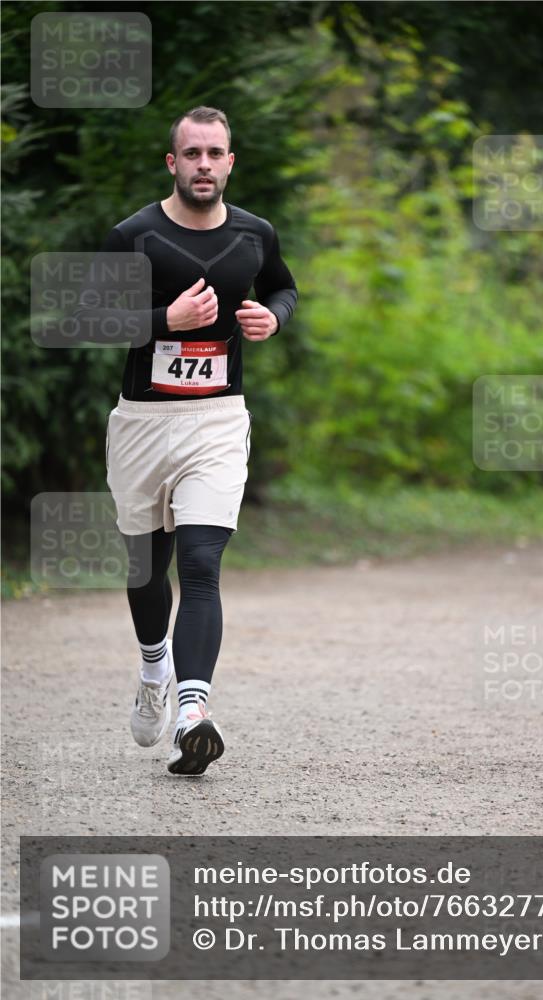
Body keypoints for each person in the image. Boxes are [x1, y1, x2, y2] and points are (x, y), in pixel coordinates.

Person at [101, 106, 297, 775]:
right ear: (173, 163)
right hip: (142, 422)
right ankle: (153, 667)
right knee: (145, 569)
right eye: (192, 154)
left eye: (215, 153)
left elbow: (283, 288)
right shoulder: (134, 235)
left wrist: (273, 317)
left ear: (230, 162)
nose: (204, 165)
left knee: (201, 563)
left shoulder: (254, 234)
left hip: (217, 420)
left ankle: (192, 714)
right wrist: (167, 319)